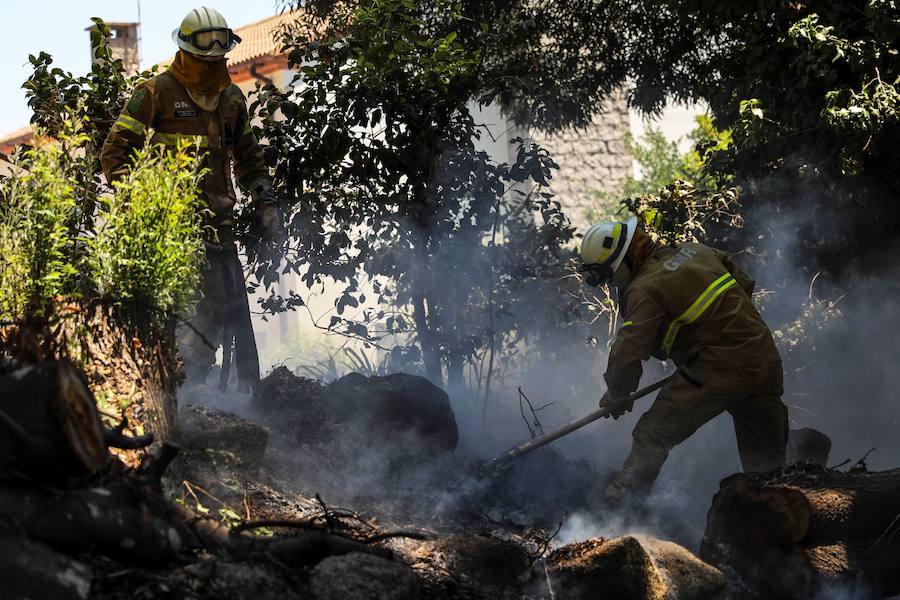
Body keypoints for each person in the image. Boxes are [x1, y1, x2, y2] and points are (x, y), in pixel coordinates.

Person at [101, 6, 280, 391]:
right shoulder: (154, 93)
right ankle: (176, 401)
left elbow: (249, 158)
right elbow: (115, 154)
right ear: (186, 51)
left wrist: (265, 202)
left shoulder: (231, 99)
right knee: (174, 321)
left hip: (218, 232)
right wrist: (141, 207)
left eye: (218, 56)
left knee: (214, 318)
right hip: (168, 233)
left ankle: (202, 400)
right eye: (205, 57)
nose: (212, 63)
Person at [579, 216, 788, 506]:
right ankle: (780, 509)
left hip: (718, 368)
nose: (611, 284)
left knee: (653, 434)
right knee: (767, 462)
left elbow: (629, 350)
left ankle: (619, 508)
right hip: (763, 355)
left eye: (608, 275)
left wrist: (617, 392)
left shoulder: (645, 288)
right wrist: (729, 330)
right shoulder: (693, 250)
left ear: (624, 260)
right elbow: (743, 281)